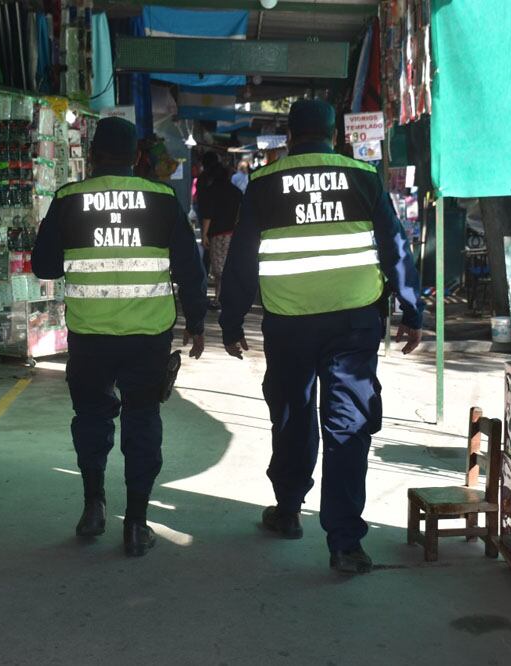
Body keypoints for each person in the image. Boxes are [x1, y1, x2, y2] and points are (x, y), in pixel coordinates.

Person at [218, 99, 424, 575]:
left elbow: (243, 259)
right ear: (335, 134)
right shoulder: (363, 177)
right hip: (353, 324)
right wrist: (413, 309)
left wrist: (231, 322)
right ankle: (346, 543)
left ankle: (289, 510)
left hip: (289, 323)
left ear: (291, 135)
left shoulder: (265, 183)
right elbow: (395, 248)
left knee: (291, 415)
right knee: (347, 425)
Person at [32, 117, 208, 558]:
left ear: (91, 156)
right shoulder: (163, 198)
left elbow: (45, 265)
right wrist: (198, 322)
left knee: (91, 418)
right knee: (143, 420)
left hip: (90, 334)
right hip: (148, 335)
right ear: (137, 157)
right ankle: (136, 523)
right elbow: (190, 269)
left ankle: (93, 505)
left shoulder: (69, 199)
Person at [200, 164, 243, 310]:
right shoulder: (236, 192)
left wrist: (204, 234)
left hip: (218, 235)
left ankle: (222, 298)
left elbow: (208, 215)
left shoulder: (211, 192)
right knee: (227, 268)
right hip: (233, 233)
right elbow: (240, 214)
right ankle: (221, 298)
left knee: (219, 270)